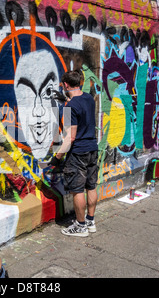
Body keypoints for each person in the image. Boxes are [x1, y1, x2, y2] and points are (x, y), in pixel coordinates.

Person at [49, 70, 98, 237]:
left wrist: (56, 158)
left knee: (77, 190)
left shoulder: (70, 107)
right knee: (91, 186)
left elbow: (70, 137)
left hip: (78, 152)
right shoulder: (89, 99)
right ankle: (90, 221)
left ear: (65, 85)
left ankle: (80, 226)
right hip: (92, 148)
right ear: (80, 83)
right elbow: (81, 108)